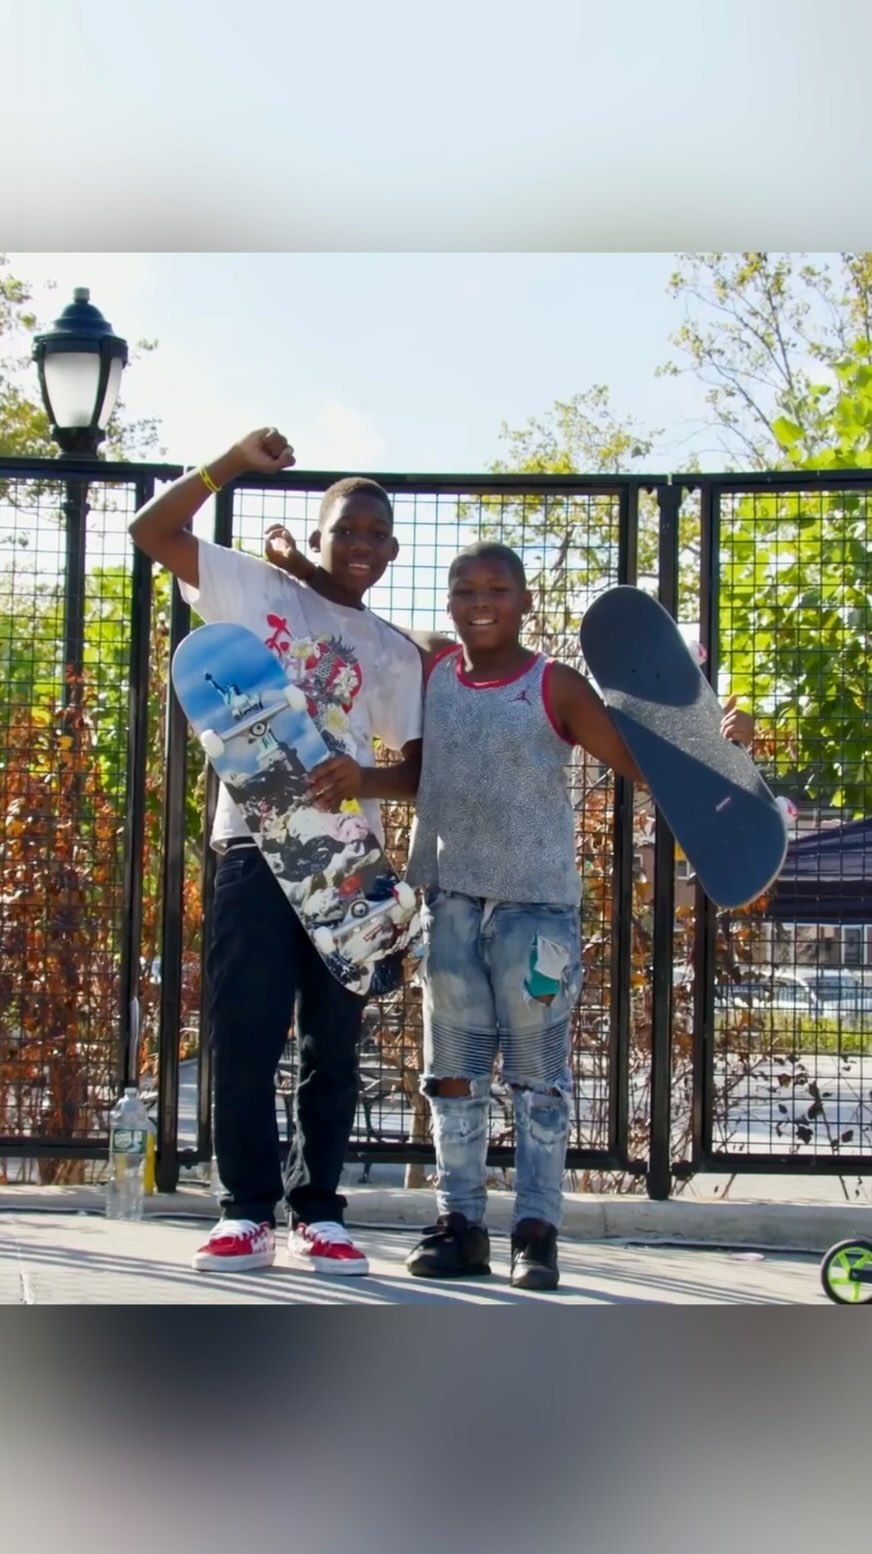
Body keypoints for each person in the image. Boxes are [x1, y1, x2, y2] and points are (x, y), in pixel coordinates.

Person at [264, 531, 755, 1290]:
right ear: (448, 604)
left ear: (524, 602)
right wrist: (300, 566)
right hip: (449, 905)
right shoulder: (433, 668)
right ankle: (459, 1225)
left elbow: (641, 764)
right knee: (452, 1078)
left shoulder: (556, 686)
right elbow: (365, 625)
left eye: (497, 591)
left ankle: (536, 1231)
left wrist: (724, 748)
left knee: (538, 1081)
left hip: (537, 915)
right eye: (465, 591)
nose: (481, 604)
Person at [129, 428, 423, 1275]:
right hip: (254, 844)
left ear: (392, 551)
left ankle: (318, 1212)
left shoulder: (393, 651)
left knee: (334, 1045)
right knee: (247, 1033)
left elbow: (416, 770)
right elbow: (152, 531)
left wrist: (361, 774)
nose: (361, 544)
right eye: (346, 530)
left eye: (376, 534)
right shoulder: (256, 589)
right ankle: (245, 1210)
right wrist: (229, 464)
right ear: (318, 538)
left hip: (349, 862)